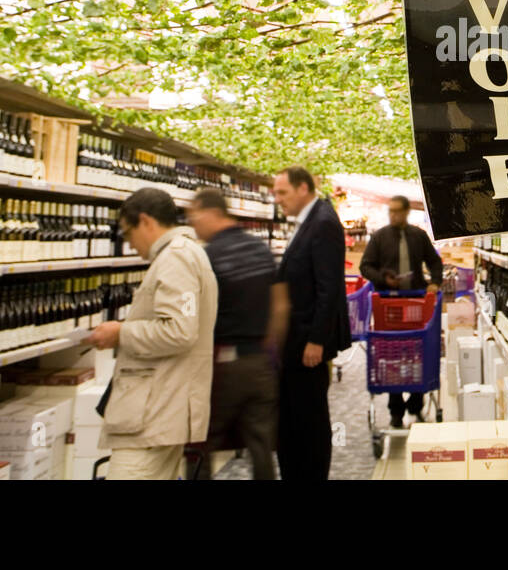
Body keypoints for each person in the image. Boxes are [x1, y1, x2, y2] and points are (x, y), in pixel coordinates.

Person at [87, 188, 218, 480]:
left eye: (128, 232)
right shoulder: (186, 253)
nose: (130, 243)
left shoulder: (177, 258)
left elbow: (179, 330)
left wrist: (121, 333)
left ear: (145, 221)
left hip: (153, 411)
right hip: (163, 407)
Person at [188, 188, 286, 480]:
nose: (193, 224)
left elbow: (196, 314)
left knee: (201, 441)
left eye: (195, 216)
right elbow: (281, 305)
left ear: (212, 213)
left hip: (223, 364)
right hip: (260, 362)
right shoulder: (259, 248)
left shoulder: (207, 257)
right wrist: (270, 349)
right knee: (260, 444)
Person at [272, 165, 349, 481]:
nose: (278, 199)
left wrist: (317, 339)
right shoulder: (310, 221)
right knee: (293, 420)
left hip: (308, 343)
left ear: (303, 188)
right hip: (297, 341)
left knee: (310, 421)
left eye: (282, 192)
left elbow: (328, 287)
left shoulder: (323, 223)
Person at [359, 195, 443, 428]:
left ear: (406, 212)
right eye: (391, 211)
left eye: (398, 211)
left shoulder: (418, 236)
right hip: (389, 306)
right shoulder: (379, 237)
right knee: (392, 353)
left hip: (416, 303)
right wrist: (383, 279)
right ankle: (396, 409)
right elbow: (365, 266)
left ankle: (416, 403)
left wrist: (435, 282)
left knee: (419, 351)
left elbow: (435, 262)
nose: (394, 215)